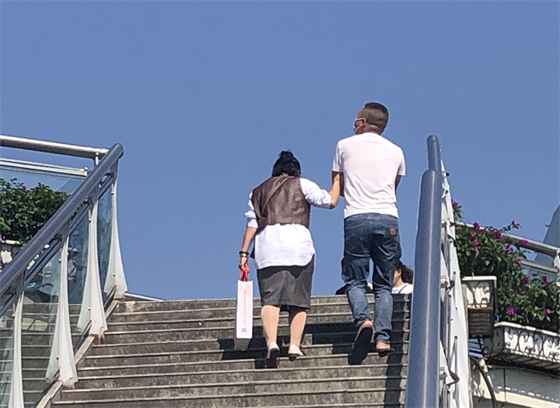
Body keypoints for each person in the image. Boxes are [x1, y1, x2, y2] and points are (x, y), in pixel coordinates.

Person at [239, 151, 340, 368]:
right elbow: (330, 201)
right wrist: (338, 181)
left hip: (268, 248)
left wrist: (244, 253)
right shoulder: (303, 184)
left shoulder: (258, 191)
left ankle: (272, 343)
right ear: (296, 171)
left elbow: (252, 225)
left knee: (270, 300)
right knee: (298, 300)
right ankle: (294, 345)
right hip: (299, 247)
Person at [332, 102, 405, 359]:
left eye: (356, 120)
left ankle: (363, 320)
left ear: (362, 122)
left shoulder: (344, 146)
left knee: (355, 280)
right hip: (388, 218)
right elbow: (393, 186)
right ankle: (383, 339)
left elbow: (338, 184)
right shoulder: (396, 151)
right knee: (384, 285)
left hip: (356, 217)